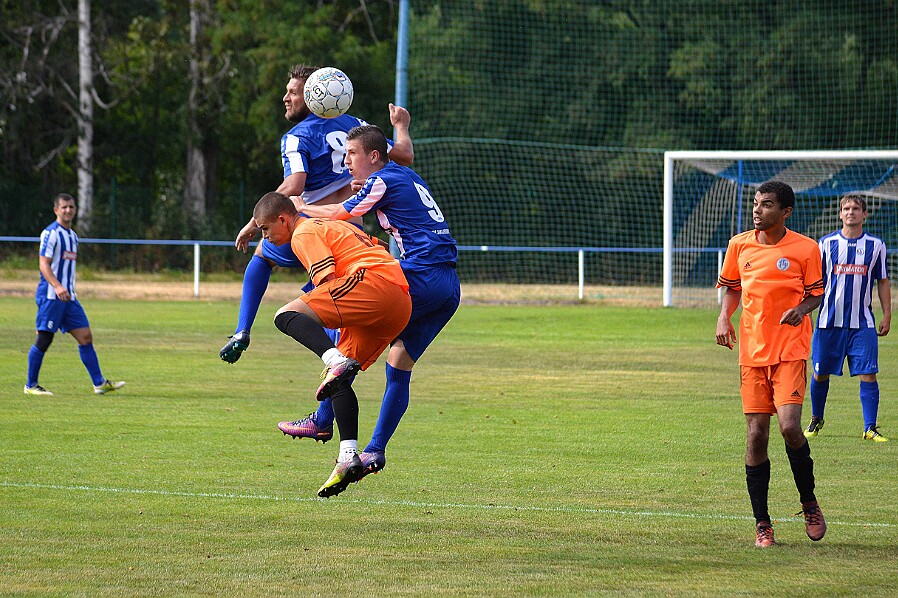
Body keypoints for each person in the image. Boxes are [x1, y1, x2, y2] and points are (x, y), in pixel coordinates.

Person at [277, 124, 460, 480]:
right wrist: (401, 128)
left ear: (373, 157)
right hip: (448, 287)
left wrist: (302, 207)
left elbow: (339, 214)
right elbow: (402, 152)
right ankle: (375, 450)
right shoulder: (402, 174)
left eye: (351, 155)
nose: (346, 163)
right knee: (399, 365)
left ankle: (322, 420)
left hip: (418, 275)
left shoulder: (383, 179)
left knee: (338, 301)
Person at [220, 63, 413, 364]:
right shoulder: (355, 128)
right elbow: (403, 155)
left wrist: (255, 222)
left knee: (262, 255)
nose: (286, 98)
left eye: (294, 93)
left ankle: (242, 330)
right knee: (335, 295)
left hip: (310, 226)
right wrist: (400, 126)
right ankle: (334, 379)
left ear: (313, 96)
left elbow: (296, 183)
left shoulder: (297, 136)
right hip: (350, 230)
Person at [252, 191, 412, 497]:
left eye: (265, 229)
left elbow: (326, 279)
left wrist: (321, 329)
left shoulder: (304, 231)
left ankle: (333, 359)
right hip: (398, 303)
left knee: (285, 315)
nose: (266, 236)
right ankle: (347, 456)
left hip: (372, 284)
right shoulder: (328, 225)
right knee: (337, 381)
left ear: (283, 219)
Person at [715, 181, 826, 548]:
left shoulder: (806, 249)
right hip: (752, 353)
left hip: (791, 350)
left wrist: (801, 309)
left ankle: (808, 502)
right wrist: (723, 318)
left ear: (786, 211)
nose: (757, 210)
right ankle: (762, 523)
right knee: (756, 434)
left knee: (790, 427)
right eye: (755, 203)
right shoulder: (739, 244)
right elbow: (732, 287)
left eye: (766, 204)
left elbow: (816, 294)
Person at [804, 194, 891, 442]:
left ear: (864, 214)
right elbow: (814, 282)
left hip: (862, 323)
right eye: (846, 208)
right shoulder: (825, 244)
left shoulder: (876, 246)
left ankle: (869, 427)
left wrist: (887, 315)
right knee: (820, 373)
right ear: (840, 214)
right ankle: (816, 418)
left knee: (868, 373)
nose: (850, 212)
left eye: (855, 208)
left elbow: (882, 281)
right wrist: (808, 314)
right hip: (828, 322)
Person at [24, 193, 125, 396]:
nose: (68, 210)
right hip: (51, 296)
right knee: (44, 339)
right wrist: (58, 286)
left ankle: (99, 383)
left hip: (68, 298)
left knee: (85, 337)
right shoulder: (51, 234)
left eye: (71, 207)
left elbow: (66, 267)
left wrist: (68, 288)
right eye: (64, 207)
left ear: (75, 209)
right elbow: (44, 264)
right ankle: (31, 385)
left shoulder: (73, 236)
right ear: (56, 210)